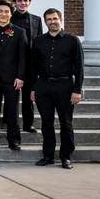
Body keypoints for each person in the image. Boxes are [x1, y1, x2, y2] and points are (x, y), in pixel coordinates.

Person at [31, 9, 84, 169]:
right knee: (46, 123)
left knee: (66, 123)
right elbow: (33, 67)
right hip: (43, 87)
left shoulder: (72, 40)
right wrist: (34, 88)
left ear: (61, 19)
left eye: (55, 18)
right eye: (49, 19)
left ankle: (66, 156)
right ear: (45, 22)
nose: (52, 21)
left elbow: (79, 68)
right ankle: (48, 156)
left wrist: (77, 90)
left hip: (65, 87)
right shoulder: (38, 41)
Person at [0, 0, 27, 151]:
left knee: (12, 112)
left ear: (11, 13)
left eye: (6, 11)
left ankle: (13, 140)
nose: (3, 14)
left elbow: (23, 57)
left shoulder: (19, 32)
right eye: (0, 11)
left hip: (12, 79)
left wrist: (20, 76)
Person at [12, 0, 43, 133]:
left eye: (25, 1)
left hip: (31, 63)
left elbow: (40, 41)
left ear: (29, 3)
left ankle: (28, 123)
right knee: (12, 95)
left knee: (28, 95)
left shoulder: (37, 20)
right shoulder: (9, 18)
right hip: (13, 62)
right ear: (15, 3)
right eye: (19, 1)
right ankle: (10, 122)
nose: (22, 3)